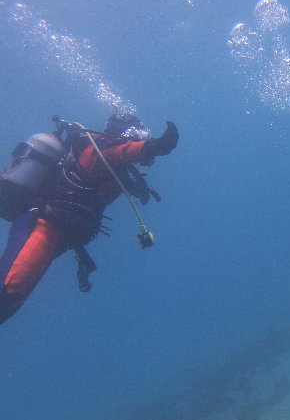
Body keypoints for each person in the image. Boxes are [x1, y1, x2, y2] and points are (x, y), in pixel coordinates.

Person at [0, 113, 179, 323]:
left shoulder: (113, 166)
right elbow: (122, 151)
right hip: (44, 225)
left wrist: (141, 187)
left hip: (59, 234)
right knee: (9, 290)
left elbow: (125, 177)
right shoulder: (100, 147)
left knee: (12, 298)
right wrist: (156, 146)